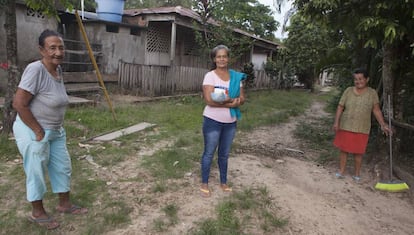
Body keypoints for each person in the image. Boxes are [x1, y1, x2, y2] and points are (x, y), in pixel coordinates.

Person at [12, 29, 87, 230]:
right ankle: (37, 212)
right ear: (41, 50)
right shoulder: (35, 69)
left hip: (55, 131)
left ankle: (65, 204)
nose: (58, 52)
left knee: (63, 166)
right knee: (36, 170)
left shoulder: (58, 70)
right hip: (33, 130)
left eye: (61, 47)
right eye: (52, 48)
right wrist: (37, 131)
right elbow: (19, 103)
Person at [199, 45, 246, 197]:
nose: (221, 59)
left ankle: (223, 182)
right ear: (214, 59)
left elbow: (242, 99)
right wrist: (230, 102)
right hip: (212, 120)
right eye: (218, 57)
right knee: (209, 152)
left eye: (224, 56)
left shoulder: (236, 77)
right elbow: (208, 100)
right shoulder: (210, 76)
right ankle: (204, 183)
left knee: (224, 154)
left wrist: (234, 101)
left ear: (228, 58)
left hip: (230, 122)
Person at [333, 68, 391, 182]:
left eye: (360, 79)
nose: (358, 81)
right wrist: (336, 122)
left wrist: (383, 124)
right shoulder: (348, 91)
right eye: (355, 79)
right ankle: (341, 171)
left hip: (362, 127)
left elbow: (376, 110)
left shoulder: (372, 93)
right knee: (344, 149)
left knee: (358, 151)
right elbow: (340, 106)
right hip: (346, 125)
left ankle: (357, 174)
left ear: (367, 79)